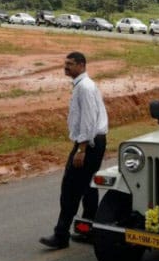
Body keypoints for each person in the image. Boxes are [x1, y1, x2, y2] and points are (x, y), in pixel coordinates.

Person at [40, 51, 108, 249]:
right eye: (65, 63)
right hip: (94, 141)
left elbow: (88, 119)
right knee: (88, 186)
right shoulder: (84, 85)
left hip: (89, 143)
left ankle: (61, 235)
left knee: (70, 188)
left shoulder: (84, 87)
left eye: (70, 63)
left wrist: (81, 149)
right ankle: (89, 229)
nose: (66, 67)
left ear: (81, 65)